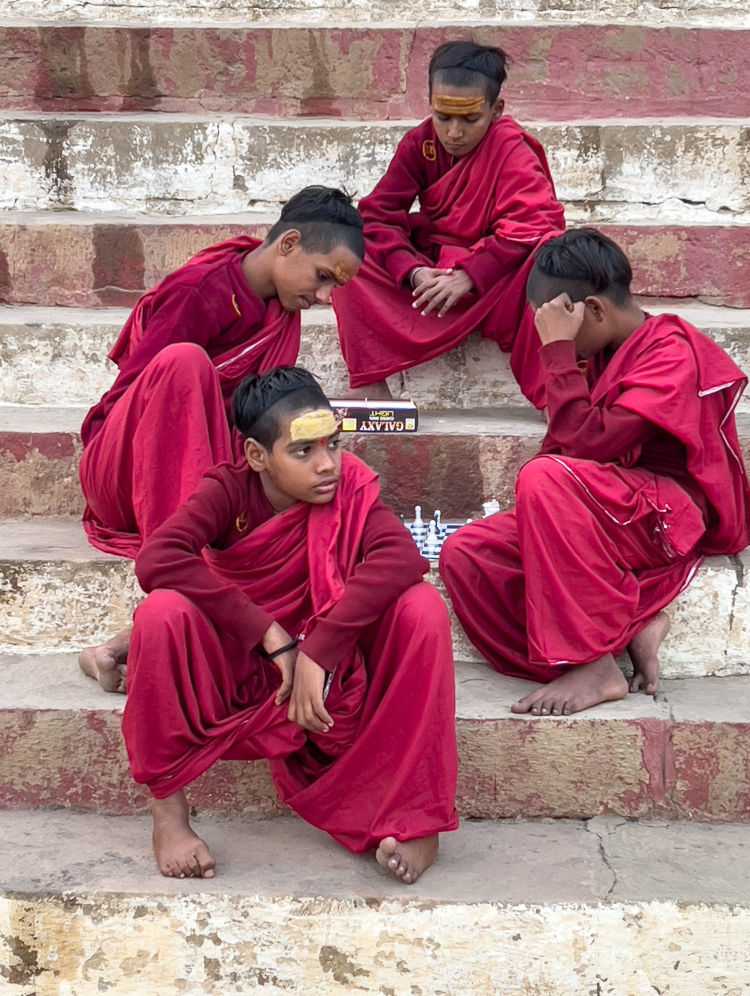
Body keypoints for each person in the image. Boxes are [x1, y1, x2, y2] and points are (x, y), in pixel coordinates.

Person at [115, 367, 458, 883]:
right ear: (257, 457)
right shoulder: (228, 492)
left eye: (334, 445)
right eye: (303, 452)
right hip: (247, 666)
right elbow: (158, 558)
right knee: (161, 613)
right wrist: (271, 636)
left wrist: (317, 652)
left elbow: (402, 556)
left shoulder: (349, 490)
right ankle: (169, 814)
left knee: (422, 607)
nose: (328, 466)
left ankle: (419, 815)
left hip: (325, 677)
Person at [440, 229, 750, 716]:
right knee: (468, 554)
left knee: (543, 479)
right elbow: (571, 446)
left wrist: (558, 353)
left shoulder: (670, 351)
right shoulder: (604, 350)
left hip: (668, 515)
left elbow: (586, 445)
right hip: (613, 504)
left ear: (595, 310)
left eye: (561, 326)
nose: (558, 343)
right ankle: (626, 630)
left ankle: (591, 663)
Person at [78, 187, 363, 689]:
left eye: (332, 288)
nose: (323, 298)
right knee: (184, 364)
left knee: (299, 461)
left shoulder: (281, 312)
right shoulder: (199, 290)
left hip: (206, 468)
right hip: (125, 468)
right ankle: (175, 586)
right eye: (322, 278)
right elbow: (133, 402)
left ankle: (119, 646)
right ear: (289, 243)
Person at [332, 40, 565, 405]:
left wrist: (470, 273)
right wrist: (411, 272)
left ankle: (554, 396)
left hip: (495, 277)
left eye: (469, 119)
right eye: (443, 117)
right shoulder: (420, 143)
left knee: (552, 260)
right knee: (346, 254)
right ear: (430, 106)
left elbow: (535, 224)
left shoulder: (509, 147)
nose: (454, 133)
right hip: (431, 276)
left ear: (496, 110)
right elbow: (378, 214)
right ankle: (369, 382)